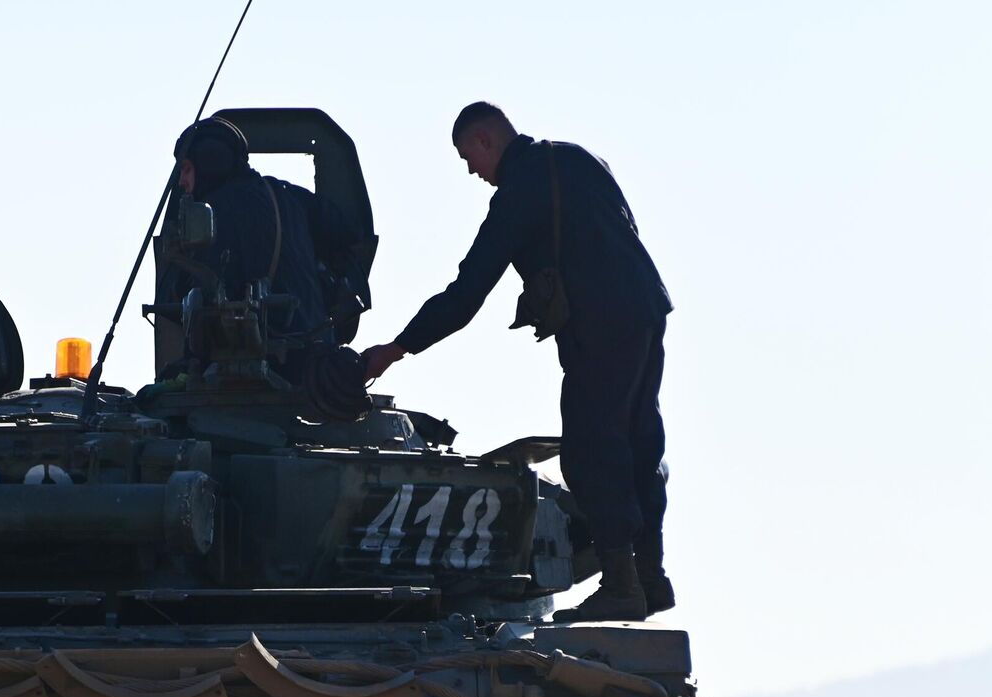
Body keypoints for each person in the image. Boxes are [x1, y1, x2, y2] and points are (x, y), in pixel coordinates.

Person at [360, 102, 674, 622]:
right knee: (640, 440)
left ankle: (622, 584)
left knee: (591, 449)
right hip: (646, 310)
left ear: (485, 140)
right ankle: (651, 577)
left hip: (598, 326)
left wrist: (397, 348)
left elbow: (466, 294)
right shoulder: (580, 159)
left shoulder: (517, 193)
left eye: (469, 157)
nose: (471, 171)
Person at [161, 117, 364, 352]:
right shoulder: (289, 195)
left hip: (262, 364)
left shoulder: (213, 213)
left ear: (209, 162)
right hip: (317, 357)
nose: (182, 182)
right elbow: (350, 233)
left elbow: (192, 302)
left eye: (186, 169)